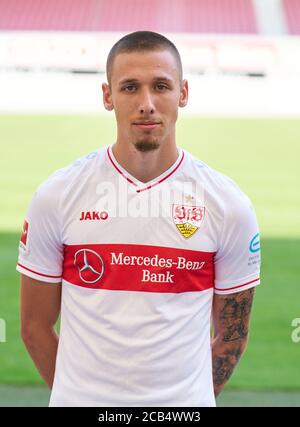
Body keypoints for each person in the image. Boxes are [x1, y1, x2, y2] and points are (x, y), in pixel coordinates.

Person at [17, 31, 261, 407]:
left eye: (161, 86)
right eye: (130, 87)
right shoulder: (57, 194)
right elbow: (34, 327)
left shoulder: (228, 204)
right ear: (107, 96)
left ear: (183, 93)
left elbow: (233, 335)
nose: (146, 103)